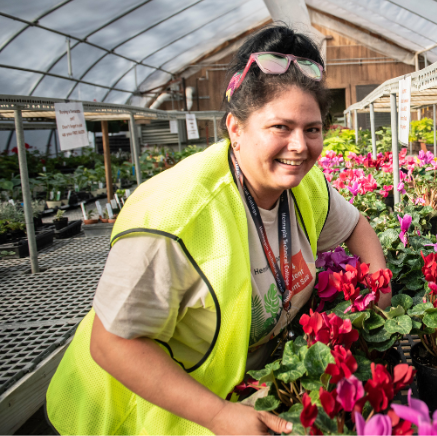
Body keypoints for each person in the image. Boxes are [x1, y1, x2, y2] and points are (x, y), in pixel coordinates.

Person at [46, 25, 390, 435]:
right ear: (236, 128)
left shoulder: (304, 186)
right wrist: (219, 415)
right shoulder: (176, 214)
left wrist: (378, 289)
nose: (300, 145)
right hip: (126, 416)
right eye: (281, 127)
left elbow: (357, 225)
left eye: (312, 129)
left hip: (224, 404)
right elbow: (111, 343)